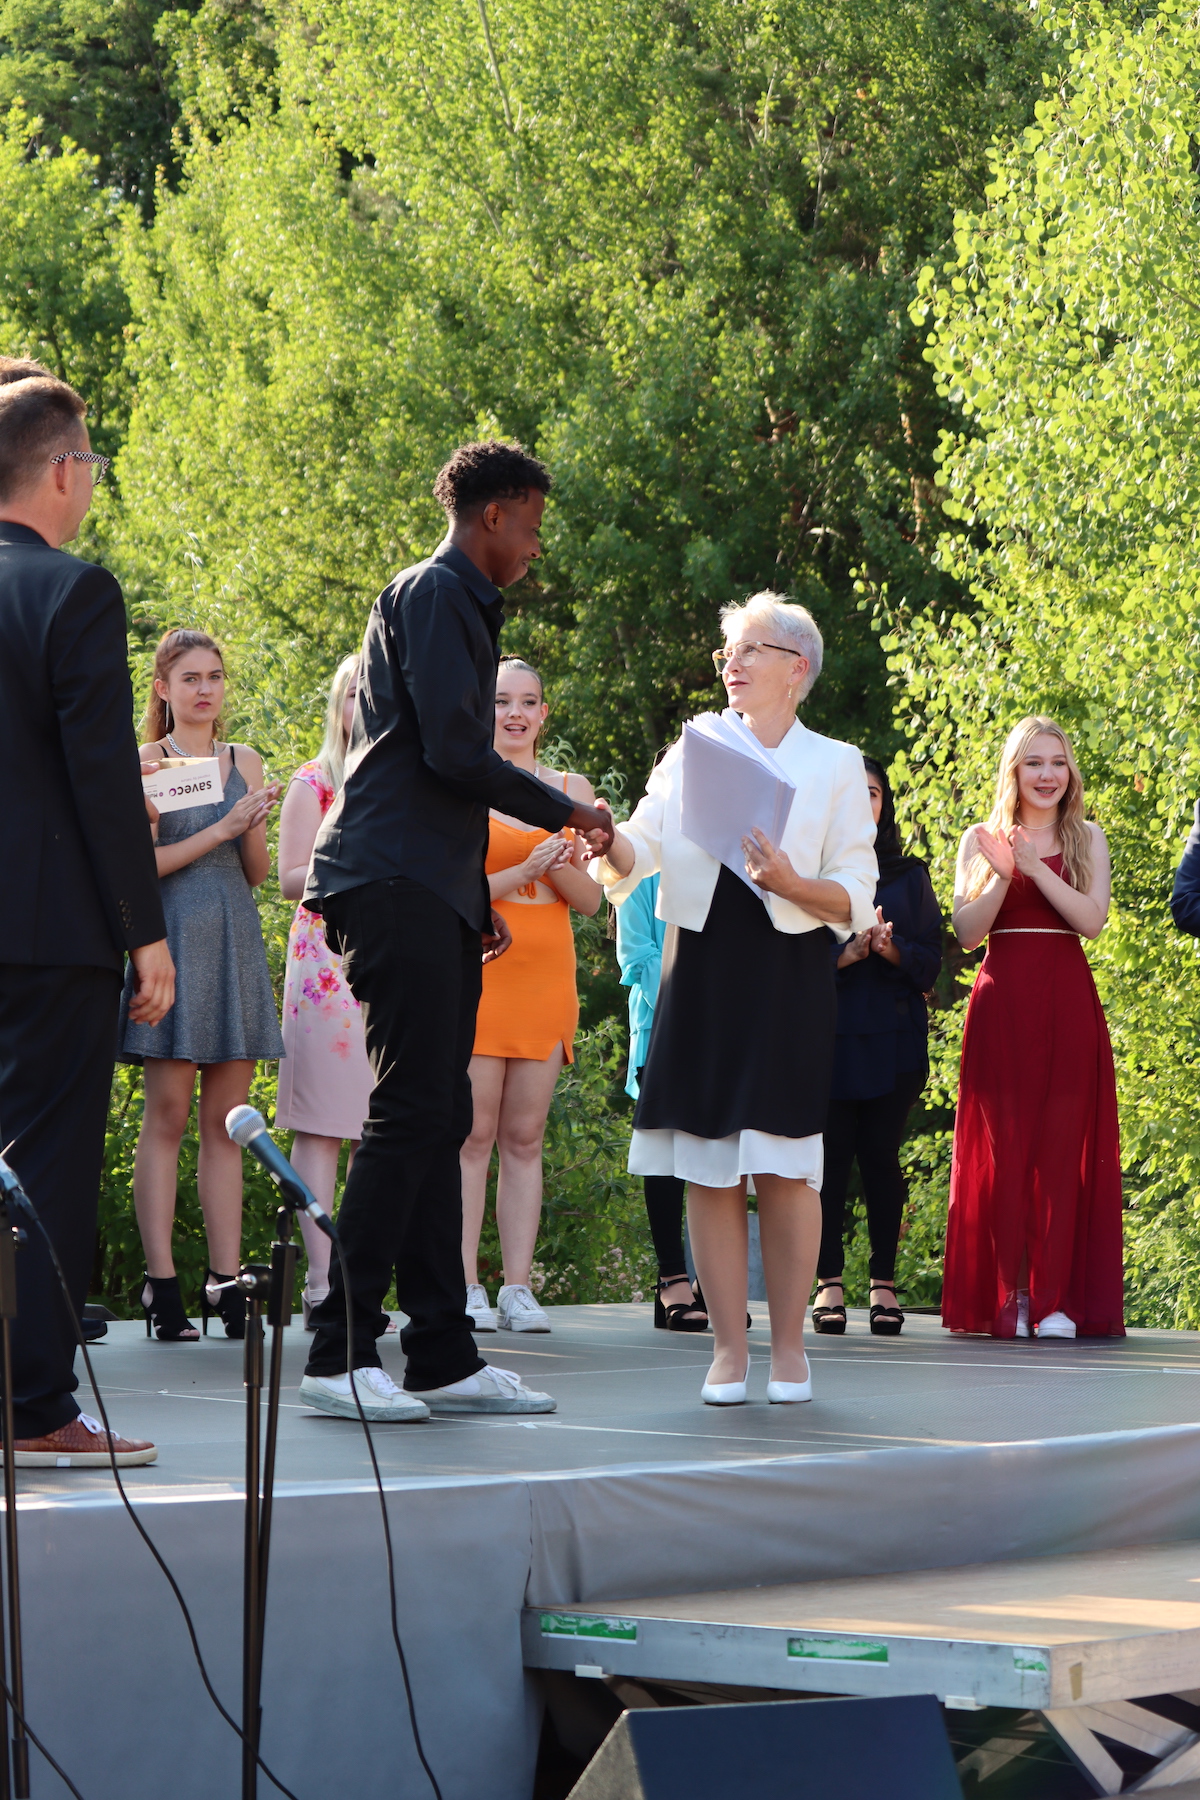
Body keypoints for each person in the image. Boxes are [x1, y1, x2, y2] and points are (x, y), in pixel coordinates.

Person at [299, 440, 615, 1424]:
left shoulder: (457, 603)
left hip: (423, 882)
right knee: (411, 1110)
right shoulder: (435, 593)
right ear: (493, 514)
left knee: (439, 1110)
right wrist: (568, 812)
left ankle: (440, 1352)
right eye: (532, 525)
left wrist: (467, 903)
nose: (536, 546)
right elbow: (452, 752)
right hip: (390, 876)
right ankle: (339, 1351)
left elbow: (434, 773)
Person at [590, 592, 877, 1406]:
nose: (732, 664)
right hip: (702, 966)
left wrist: (792, 882)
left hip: (789, 971)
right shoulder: (696, 747)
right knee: (709, 1166)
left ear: (797, 668)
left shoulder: (836, 762)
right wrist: (607, 839)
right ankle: (726, 1351)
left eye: (750, 650)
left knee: (785, 1165)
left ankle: (789, 1351)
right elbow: (641, 842)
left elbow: (858, 890)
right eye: (728, 652)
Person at [0, 371, 173, 1466]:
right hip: (49, 931)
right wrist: (142, 930)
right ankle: (33, 1406)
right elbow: (102, 777)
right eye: (92, 463)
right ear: (64, 470)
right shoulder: (73, 592)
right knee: (43, 1161)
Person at [119, 629, 284, 1342]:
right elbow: (139, 869)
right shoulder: (143, 764)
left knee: (229, 1121)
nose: (205, 689)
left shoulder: (243, 759)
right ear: (163, 687)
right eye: (190, 677)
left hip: (234, 936)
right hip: (171, 940)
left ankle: (225, 1281)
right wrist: (220, 830)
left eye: (214, 676)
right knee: (167, 1116)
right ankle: (161, 1286)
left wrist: (251, 824)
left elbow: (256, 872)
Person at [942, 715, 1124, 1340]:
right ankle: (1013, 1293)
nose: (1048, 775)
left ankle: (1056, 1299)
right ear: (1014, 771)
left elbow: (1092, 922)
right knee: (1006, 1151)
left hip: (1067, 1002)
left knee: (1062, 1150)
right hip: (1003, 1005)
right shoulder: (978, 837)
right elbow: (968, 934)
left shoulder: (1087, 837)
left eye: (1058, 762)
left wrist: (1036, 868)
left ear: (1070, 772)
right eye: (1035, 763)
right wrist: (1002, 872)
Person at [460, 658, 602, 1333]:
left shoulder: (571, 792)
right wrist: (525, 866)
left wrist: (552, 854)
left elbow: (592, 901)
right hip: (483, 971)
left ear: (544, 713)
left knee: (524, 1137)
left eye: (527, 701)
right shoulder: (459, 785)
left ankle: (518, 1287)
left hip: (547, 975)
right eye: (500, 701)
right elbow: (452, 891)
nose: (513, 713)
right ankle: (463, 1286)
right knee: (471, 1134)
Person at [812, 757, 942, 1338]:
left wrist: (889, 948)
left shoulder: (910, 876)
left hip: (893, 1038)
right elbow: (789, 961)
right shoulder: (808, 873)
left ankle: (884, 1285)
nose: (863, 801)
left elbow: (931, 963)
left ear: (884, 804)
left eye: (872, 792)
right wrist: (847, 954)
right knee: (830, 1159)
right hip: (828, 1035)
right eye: (851, 791)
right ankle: (829, 1283)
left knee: (881, 1159)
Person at [276, 654, 379, 1326]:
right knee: (320, 1128)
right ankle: (319, 1285)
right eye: (352, 695)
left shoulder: (400, 781)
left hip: (386, 961)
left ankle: (361, 1287)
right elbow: (288, 877)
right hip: (323, 969)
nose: (362, 707)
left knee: (379, 1128)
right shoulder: (312, 782)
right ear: (336, 705)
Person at [615, 872, 707, 1330]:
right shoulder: (638, 862)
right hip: (662, 1025)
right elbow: (636, 954)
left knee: (716, 1157)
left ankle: (713, 1281)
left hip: (722, 1029)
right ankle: (672, 1277)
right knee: (666, 1158)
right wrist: (696, 1003)